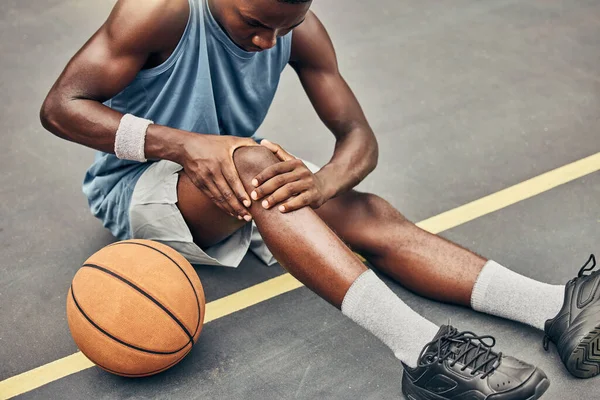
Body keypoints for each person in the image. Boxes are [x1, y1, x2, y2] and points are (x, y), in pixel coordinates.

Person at [40, 0, 599, 398]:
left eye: (285, 26)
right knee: (259, 164)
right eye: (255, 22)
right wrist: (187, 147)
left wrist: (326, 184)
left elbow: (358, 139)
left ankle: (552, 306)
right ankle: (421, 351)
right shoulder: (158, 10)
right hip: (140, 190)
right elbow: (61, 107)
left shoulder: (294, 28)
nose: (266, 41)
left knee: (365, 211)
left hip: (240, 177)